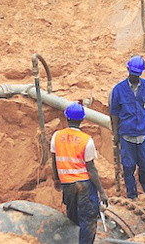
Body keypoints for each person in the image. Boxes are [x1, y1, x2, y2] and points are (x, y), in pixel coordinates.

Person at [51, 103, 108, 244]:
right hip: (84, 184)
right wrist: (102, 191)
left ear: (66, 117)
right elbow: (91, 169)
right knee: (88, 220)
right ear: (82, 119)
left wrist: (56, 180)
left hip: (67, 184)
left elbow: (54, 161)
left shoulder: (57, 136)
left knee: (72, 216)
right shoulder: (86, 140)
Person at [110, 56, 145, 201]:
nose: (135, 77)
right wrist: (115, 133)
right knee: (128, 166)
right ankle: (132, 195)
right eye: (133, 73)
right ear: (127, 70)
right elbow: (114, 114)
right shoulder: (118, 90)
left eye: (138, 74)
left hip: (142, 134)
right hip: (126, 135)